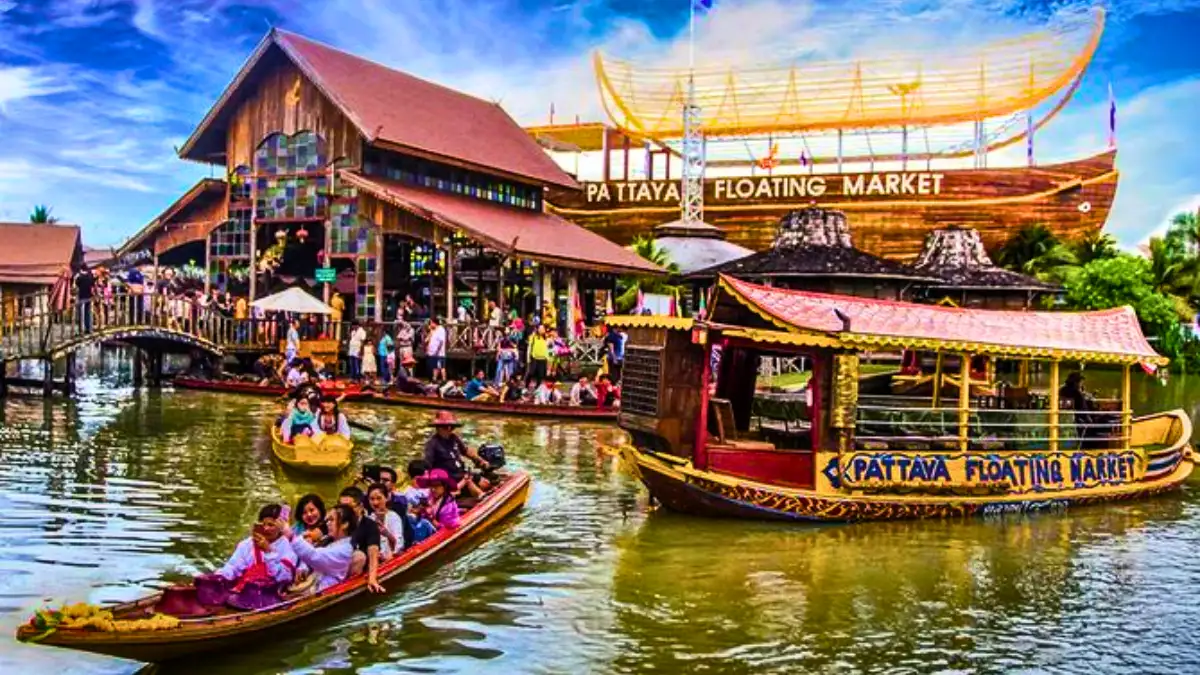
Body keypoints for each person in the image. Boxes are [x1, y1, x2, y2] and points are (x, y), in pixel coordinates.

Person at [215, 504, 298, 589]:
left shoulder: (289, 547)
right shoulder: (247, 544)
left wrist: (268, 552)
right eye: (263, 524)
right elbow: (233, 567)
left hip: (273, 593)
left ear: (280, 527)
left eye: (271, 525)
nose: (266, 528)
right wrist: (220, 576)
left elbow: (284, 577)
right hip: (246, 590)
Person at [287, 503, 356, 592]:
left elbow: (315, 556)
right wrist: (303, 567)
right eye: (327, 521)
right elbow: (312, 554)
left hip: (323, 588)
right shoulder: (327, 539)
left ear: (345, 524)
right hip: (313, 583)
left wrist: (291, 537)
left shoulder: (346, 549)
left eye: (331, 520)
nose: (328, 524)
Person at [423, 410, 490, 498]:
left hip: (461, 473)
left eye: (451, 427)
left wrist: (479, 460)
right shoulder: (432, 444)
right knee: (472, 485)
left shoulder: (454, 438)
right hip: (450, 478)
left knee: (485, 483)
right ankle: (479, 496)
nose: (449, 429)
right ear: (438, 428)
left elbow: (465, 451)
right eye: (446, 427)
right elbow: (427, 466)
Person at [339, 487, 385, 593]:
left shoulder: (370, 525)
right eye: (341, 507)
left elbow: (373, 553)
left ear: (360, 507)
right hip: (336, 567)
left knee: (359, 556)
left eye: (348, 508)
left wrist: (372, 578)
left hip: (357, 569)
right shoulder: (337, 523)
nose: (343, 512)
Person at [366, 482, 405, 560]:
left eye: (379, 498)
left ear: (386, 498)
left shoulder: (393, 517)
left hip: (392, 559)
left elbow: (399, 545)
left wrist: (386, 534)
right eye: (372, 499)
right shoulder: (368, 520)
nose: (375, 503)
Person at [74, 263, 96, 332]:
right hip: (89, 296)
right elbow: (93, 285)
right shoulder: (90, 276)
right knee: (88, 313)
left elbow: (76, 285)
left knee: (81, 314)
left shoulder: (80, 277)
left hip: (81, 297)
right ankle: (89, 328)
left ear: (81, 269)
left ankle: (81, 329)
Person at [426, 317, 447, 383]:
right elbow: (427, 340)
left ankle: (444, 380)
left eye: (431, 323)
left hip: (439, 352)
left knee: (441, 367)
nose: (430, 324)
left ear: (435, 323)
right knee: (435, 367)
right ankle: (434, 379)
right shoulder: (434, 330)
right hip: (433, 353)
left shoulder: (441, 329)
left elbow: (441, 341)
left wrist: (438, 350)